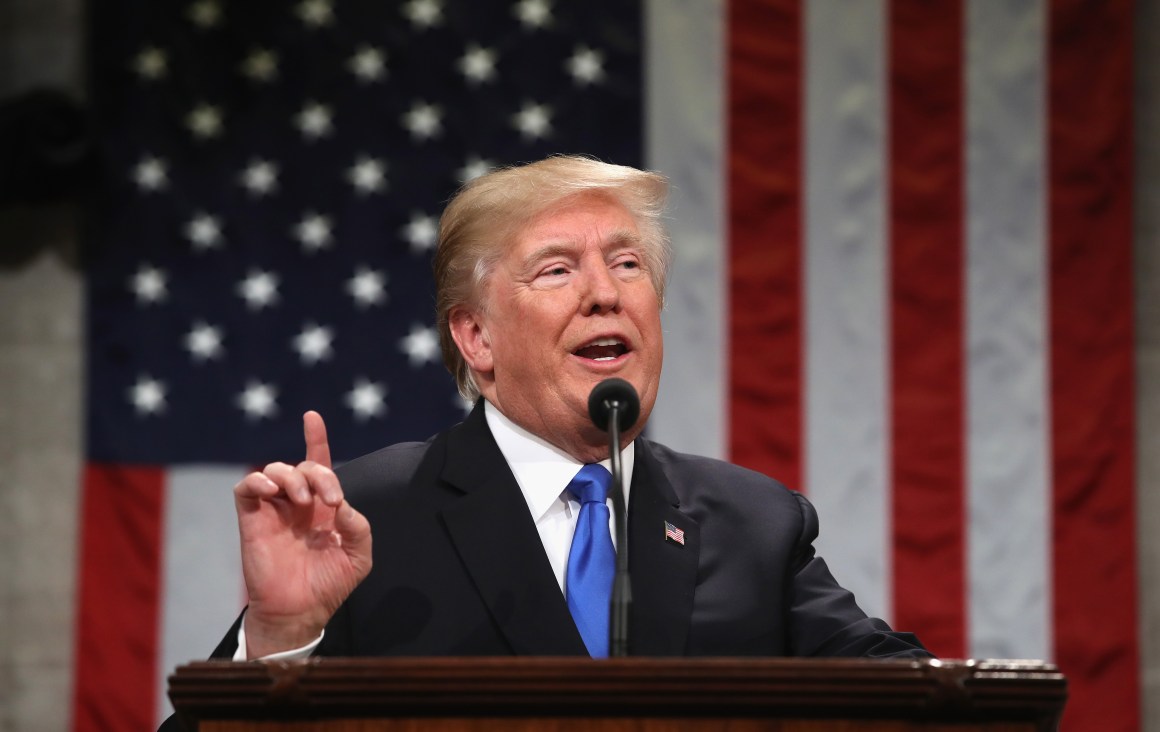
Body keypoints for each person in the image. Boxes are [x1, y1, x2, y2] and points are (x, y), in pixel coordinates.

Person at [208, 155, 930, 665]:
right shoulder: (369, 519)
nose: (605, 293)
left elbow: (904, 696)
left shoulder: (752, 523)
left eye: (627, 264)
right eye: (557, 269)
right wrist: (281, 639)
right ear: (476, 337)